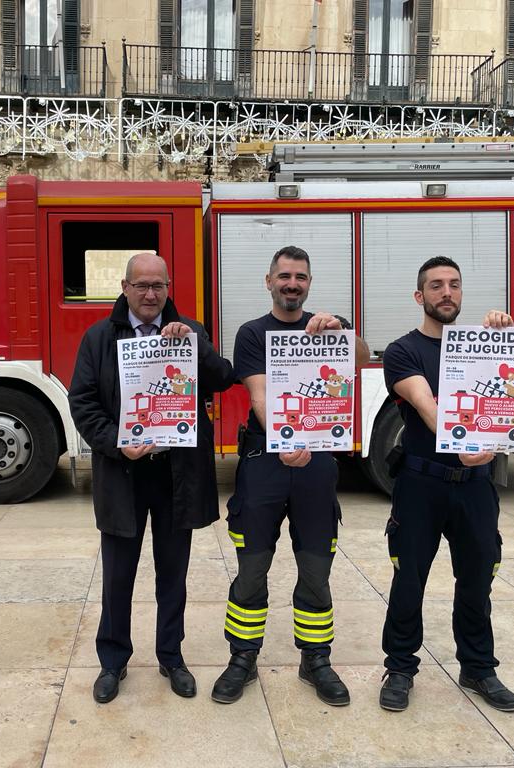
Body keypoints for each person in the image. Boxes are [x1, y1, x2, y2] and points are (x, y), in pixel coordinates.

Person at [69, 252, 234, 704]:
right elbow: (82, 401)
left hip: (175, 475)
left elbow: (223, 378)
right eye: (140, 285)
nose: (149, 294)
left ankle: (171, 655)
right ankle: (113, 661)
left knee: (173, 575)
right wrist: (114, 441)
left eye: (157, 285)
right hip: (122, 472)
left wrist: (195, 347)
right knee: (118, 575)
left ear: (168, 288)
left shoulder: (191, 332)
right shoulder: (99, 337)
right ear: (124, 288)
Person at [211, 245, 369, 707]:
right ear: (269, 281)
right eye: (284, 276)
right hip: (265, 462)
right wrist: (286, 438)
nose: (292, 284)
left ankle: (315, 659)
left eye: (300, 276)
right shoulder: (252, 333)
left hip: (317, 466)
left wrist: (342, 331)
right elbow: (259, 393)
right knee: (252, 568)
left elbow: (361, 359)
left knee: (316, 568)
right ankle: (243, 657)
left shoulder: (329, 325)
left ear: (309, 283)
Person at [378, 255, 514, 713]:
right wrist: (458, 439)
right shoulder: (404, 351)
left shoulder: (482, 345)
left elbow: (512, 390)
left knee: (478, 580)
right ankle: (400, 668)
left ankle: (479, 668)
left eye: (454, 285)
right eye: (436, 286)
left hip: (476, 486)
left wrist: (503, 338)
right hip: (422, 484)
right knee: (409, 581)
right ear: (420, 296)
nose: (446, 293)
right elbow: (424, 402)